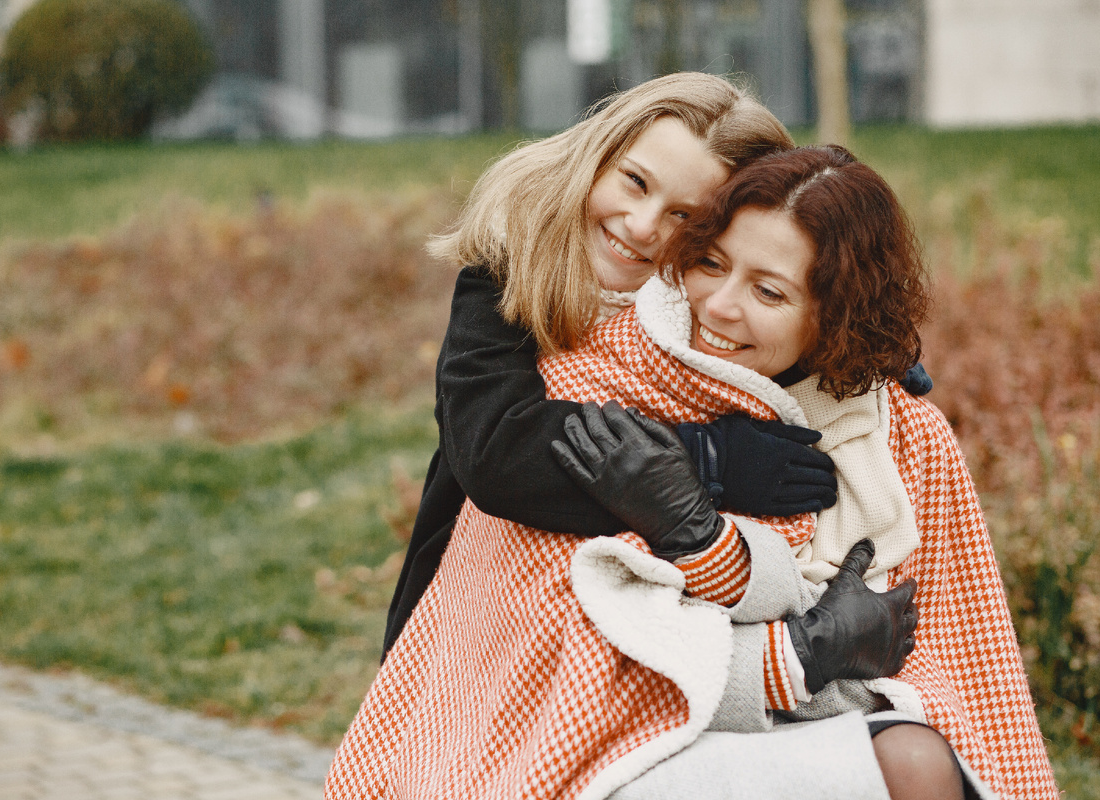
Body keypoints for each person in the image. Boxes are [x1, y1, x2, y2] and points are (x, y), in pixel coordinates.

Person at [328, 145, 1047, 799]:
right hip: (604, 746)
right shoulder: (597, 380)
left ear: (836, 317)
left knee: (919, 758)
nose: (720, 307)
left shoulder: (894, 436)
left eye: (770, 293)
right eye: (710, 263)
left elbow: (914, 658)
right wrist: (784, 643)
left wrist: (770, 619)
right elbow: (573, 650)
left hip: (780, 719)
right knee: (901, 765)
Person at [386, 72, 859, 658]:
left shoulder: (709, 294)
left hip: (665, 613)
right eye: (635, 182)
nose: (642, 226)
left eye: (686, 217)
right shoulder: (511, 263)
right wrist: (709, 460)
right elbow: (495, 451)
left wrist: (855, 349)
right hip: (480, 608)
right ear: (601, 153)